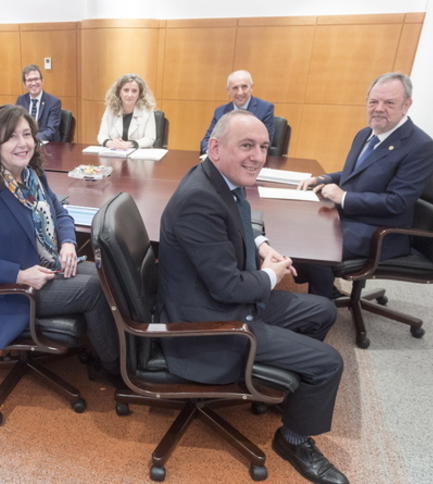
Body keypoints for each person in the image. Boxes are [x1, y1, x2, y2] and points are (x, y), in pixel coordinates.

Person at [159, 110, 348, 484]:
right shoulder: (198, 200)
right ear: (216, 148)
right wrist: (271, 275)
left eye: (263, 147)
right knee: (328, 362)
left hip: (223, 302)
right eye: (247, 145)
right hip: (209, 325)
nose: (258, 157)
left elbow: (238, 218)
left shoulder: (217, 179)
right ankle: (293, 440)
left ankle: (279, 386)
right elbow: (228, 287)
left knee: (323, 310)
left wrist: (262, 245)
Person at [0, 104, 120, 381]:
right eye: (11, 137)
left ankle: (123, 351)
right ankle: (113, 369)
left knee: (108, 272)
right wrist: (18, 275)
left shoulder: (32, 175)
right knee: (94, 289)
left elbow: (60, 213)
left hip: (45, 266)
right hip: (8, 289)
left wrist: (68, 243)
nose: (23, 143)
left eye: (27, 134)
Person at [295, 72, 433, 299]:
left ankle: (320, 306)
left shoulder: (420, 146)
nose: (379, 108)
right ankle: (324, 287)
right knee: (297, 225)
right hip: (351, 218)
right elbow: (356, 173)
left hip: (380, 231)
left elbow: (398, 202)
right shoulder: (365, 133)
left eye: (389, 103)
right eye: (373, 102)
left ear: (406, 105)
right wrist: (324, 179)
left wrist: (343, 197)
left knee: (312, 242)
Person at [200, 70, 274, 154]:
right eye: (235, 88)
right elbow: (207, 140)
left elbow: (265, 143)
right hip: (225, 158)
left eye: (244, 87)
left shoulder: (265, 108)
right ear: (228, 90)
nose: (240, 92)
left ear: (251, 87)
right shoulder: (220, 112)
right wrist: (212, 153)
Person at [97, 73, 156, 150]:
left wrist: (129, 144)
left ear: (139, 94)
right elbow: (101, 136)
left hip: (138, 154)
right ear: (119, 92)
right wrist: (110, 143)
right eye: (126, 90)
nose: (129, 95)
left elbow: (150, 139)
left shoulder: (147, 111)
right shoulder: (111, 109)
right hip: (114, 153)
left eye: (134, 91)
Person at [15, 65, 61, 142]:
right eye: (29, 80)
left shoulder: (54, 102)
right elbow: (16, 124)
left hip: (47, 144)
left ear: (42, 81)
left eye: (36, 79)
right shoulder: (21, 100)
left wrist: (32, 138)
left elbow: (51, 130)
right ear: (24, 84)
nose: (33, 83)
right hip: (25, 142)